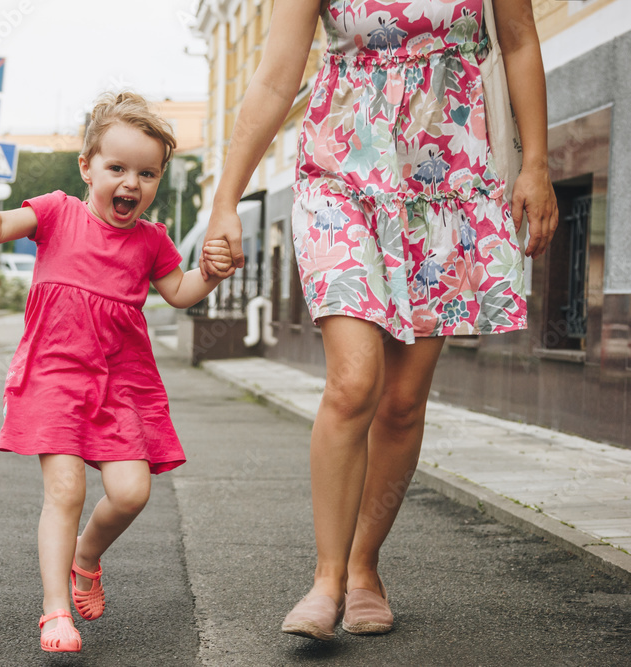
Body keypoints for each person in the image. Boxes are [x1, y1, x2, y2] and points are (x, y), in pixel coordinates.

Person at [201, 0, 558, 641]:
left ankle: (365, 568)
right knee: (353, 381)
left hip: (445, 176)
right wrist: (226, 198)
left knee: (400, 401)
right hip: (341, 175)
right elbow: (277, 74)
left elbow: (520, 41)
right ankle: (326, 580)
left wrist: (536, 164)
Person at [0, 91, 234, 653]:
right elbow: (0, 224)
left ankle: (86, 555)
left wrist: (211, 273)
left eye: (146, 173)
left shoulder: (151, 240)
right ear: (86, 167)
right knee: (65, 488)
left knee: (131, 493)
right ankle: (54, 611)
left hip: (121, 383)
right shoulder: (56, 212)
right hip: (55, 376)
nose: (131, 183)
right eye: (116, 167)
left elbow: (178, 293)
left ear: (159, 179)